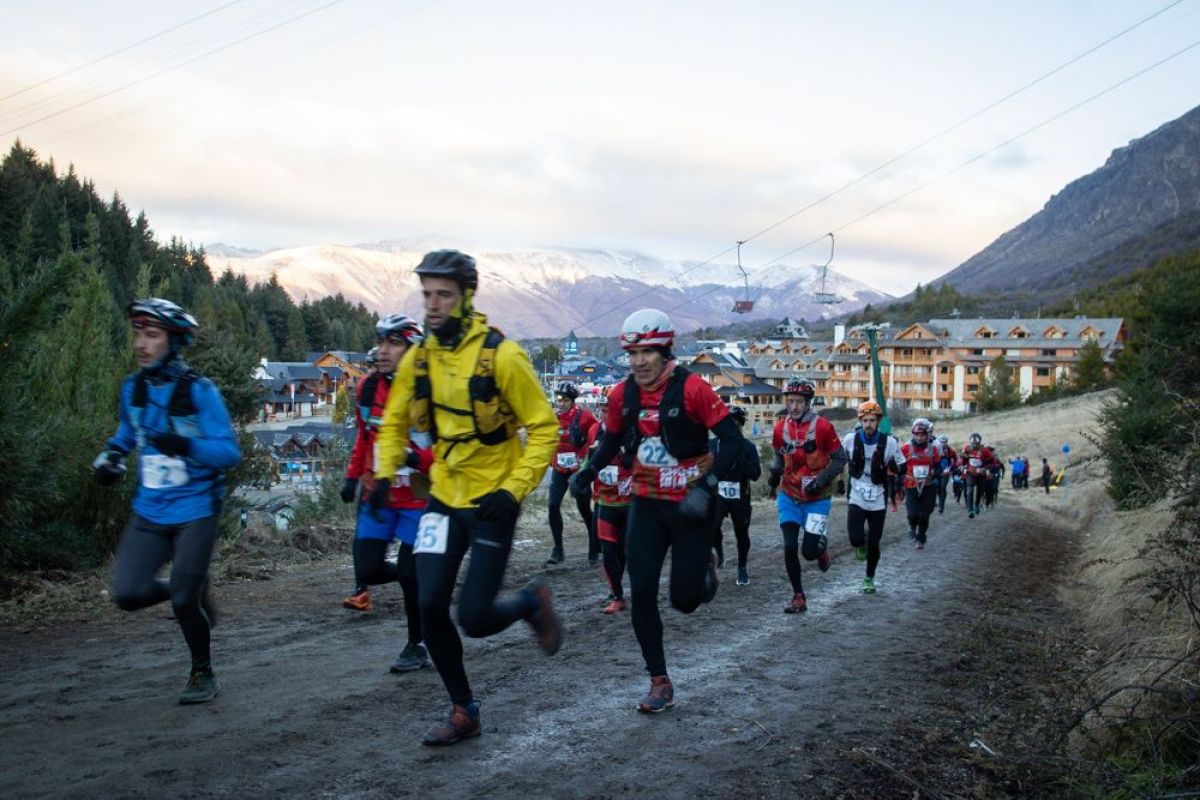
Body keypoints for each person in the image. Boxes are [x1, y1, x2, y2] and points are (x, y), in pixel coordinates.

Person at [374, 250, 563, 746]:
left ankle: (529, 602)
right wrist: (383, 475)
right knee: (428, 602)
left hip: (492, 501)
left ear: (466, 297)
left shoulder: (503, 356)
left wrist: (513, 489)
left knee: (474, 619)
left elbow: (544, 430)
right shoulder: (419, 359)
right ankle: (464, 709)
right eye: (427, 295)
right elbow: (393, 423)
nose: (433, 305)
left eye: (444, 295)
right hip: (444, 496)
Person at [571, 308, 744, 713]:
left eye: (646, 352)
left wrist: (708, 486)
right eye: (632, 354)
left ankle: (705, 566)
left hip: (691, 502)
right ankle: (659, 681)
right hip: (647, 502)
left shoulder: (693, 389)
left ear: (666, 351)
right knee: (642, 589)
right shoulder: (622, 394)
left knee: (684, 600)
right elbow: (611, 440)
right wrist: (588, 471)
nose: (638, 362)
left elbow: (733, 442)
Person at [93, 298, 241, 704]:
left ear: (173, 342)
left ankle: (202, 672)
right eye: (138, 334)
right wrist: (111, 456)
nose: (141, 344)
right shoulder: (133, 389)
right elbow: (128, 432)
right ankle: (190, 585)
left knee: (183, 600)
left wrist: (185, 445)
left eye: (152, 335)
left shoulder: (200, 392)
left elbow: (229, 453)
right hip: (150, 511)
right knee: (127, 594)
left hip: (197, 510)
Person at [339, 314, 433, 673]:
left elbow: (445, 453)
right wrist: (352, 479)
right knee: (368, 568)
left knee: (409, 573)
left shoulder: (429, 392)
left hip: (417, 497)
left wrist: (411, 458)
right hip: (378, 493)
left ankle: (417, 644)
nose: (383, 350)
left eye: (393, 343)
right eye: (381, 342)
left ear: (412, 350)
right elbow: (364, 438)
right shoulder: (367, 388)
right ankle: (421, 576)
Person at [766, 377, 849, 614]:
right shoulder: (780, 428)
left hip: (817, 498)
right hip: (789, 494)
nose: (794, 407)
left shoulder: (823, 427)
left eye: (799, 402)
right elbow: (779, 456)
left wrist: (820, 481)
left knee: (808, 552)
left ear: (808, 403)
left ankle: (820, 550)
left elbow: (841, 459)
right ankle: (798, 596)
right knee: (790, 545)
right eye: (790, 401)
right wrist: (774, 475)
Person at [842, 401, 904, 594]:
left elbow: (902, 465)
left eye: (872, 420)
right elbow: (838, 459)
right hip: (857, 492)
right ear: (860, 421)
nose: (868, 424)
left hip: (878, 495)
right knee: (855, 538)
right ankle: (861, 543)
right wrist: (839, 480)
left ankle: (869, 578)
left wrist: (895, 468)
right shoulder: (850, 439)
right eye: (865, 420)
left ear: (878, 421)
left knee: (875, 543)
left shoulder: (890, 442)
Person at [581, 394, 633, 614]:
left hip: (630, 503)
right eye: (602, 410)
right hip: (605, 501)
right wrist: (581, 477)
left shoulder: (633, 430)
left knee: (627, 551)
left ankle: (637, 590)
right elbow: (589, 457)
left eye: (609, 410)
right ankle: (617, 596)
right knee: (609, 552)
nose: (605, 414)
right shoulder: (594, 430)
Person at [545, 381, 599, 565]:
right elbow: (545, 440)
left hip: (579, 471)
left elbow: (597, 435)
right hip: (559, 470)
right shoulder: (551, 418)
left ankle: (594, 547)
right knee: (553, 505)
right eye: (559, 399)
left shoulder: (585, 416)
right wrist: (551, 460)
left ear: (573, 401)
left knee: (584, 509)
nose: (561, 403)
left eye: (565, 400)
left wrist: (587, 461)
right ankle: (558, 549)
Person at [710, 405, 761, 586]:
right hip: (718, 495)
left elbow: (756, 474)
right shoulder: (713, 445)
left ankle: (742, 567)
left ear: (741, 424)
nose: (731, 426)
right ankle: (719, 551)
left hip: (740, 496)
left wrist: (739, 457)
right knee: (712, 526)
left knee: (741, 533)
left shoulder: (748, 447)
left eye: (735, 423)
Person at [900, 419, 942, 550]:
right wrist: (898, 479)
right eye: (916, 435)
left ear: (927, 435)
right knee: (913, 515)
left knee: (925, 514)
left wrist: (936, 474)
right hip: (911, 485)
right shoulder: (905, 448)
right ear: (913, 434)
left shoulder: (933, 449)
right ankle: (912, 527)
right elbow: (899, 465)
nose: (919, 437)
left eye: (922, 435)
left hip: (928, 485)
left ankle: (921, 538)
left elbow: (938, 466)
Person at [960, 432, 994, 518]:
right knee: (969, 489)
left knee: (980, 490)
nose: (974, 445)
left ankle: (977, 504)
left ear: (979, 443)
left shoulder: (985, 451)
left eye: (976, 444)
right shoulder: (966, 448)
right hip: (970, 472)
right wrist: (962, 467)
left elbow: (991, 462)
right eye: (973, 443)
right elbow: (963, 460)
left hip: (981, 473)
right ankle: (970, 510)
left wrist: (986, 469)